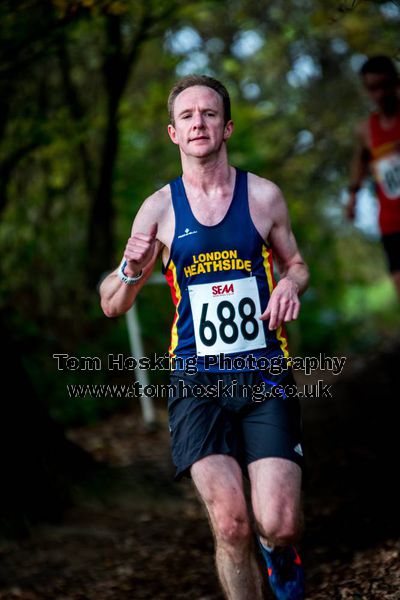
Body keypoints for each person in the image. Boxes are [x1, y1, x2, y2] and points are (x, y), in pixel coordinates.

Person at [100, 74, 309, 600]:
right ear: (174, 133)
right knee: (232, 523)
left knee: (277, 523)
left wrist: (288, 282)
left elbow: (299, 265)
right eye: (188, 116)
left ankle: (280, 552)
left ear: (227, 125)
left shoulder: (263, 196)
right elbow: (112, 303)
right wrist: (130, 268)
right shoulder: (159, 209)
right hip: (196, 379)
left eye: (209, 114)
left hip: (264, 372)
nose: (199, 122)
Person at [346, 55, 400, 299]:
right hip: (391, 221)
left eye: (384, 86)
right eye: (372, 89)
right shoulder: (366, 130)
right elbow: (360, 160)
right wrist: (352, 198)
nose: (379, 94)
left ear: (395, 82)